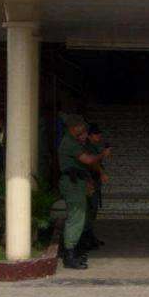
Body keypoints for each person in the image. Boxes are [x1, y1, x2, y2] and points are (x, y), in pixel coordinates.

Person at [58, 115, 110, 269]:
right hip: (72, 183)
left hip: (77, 182)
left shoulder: (73, 141)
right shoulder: (70, 142)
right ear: (74, 127)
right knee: (76, 216)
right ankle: (69, 254)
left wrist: (87, 182)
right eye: (81, 127)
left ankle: (73, 250)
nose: (84, 130)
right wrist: (103, 155)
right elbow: (87, 160)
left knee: (80, 216)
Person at [79, 123, 109, 252]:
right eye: (96, 134)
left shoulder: (93, 146)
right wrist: (102, 172)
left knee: (92, 211)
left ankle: (90, 238)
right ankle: (85, 240)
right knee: (89, 211)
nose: (99, 136)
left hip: (93, 180)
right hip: (89, 180)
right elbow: (92, 162)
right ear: (90, 136)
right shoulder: (88, 146)